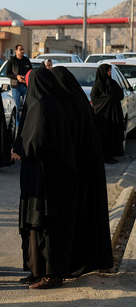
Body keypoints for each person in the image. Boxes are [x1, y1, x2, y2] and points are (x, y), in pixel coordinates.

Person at [16, 68, 78, 289]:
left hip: (48, 178)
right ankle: (36, 270)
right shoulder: (44, 104)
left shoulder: (44, 106)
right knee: (35, 225)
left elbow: (36, 142)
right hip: (38, 176)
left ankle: (51, 273)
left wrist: (21, 150)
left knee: (47, 225)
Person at [51, 66, 113, 277]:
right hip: (89, 170)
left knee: (77, 220)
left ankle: (76, 262)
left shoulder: (67, 107)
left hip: (76, 173)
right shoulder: (80, 104)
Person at [91, 63, 125, 164]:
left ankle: (111, 154)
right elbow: (95, 99)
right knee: (103, 136)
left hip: (114, 114)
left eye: (110, 70)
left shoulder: (112, 83)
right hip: (102, 116)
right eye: (108, 71)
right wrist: (108, 99)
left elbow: (120, 95)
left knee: (112, 134)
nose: (110, 72)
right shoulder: (98, 85)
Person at [6, 45, 32, 126]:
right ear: (16, 51)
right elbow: (8, 74)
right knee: (16, 107)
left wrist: (26, 77)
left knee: (27, 105)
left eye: (23, 50)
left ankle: (26, 123)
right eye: (20, 50)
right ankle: (18, 124)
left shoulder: (26, 60)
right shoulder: (12, 61)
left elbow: (31, 71)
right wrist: (16, 77)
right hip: (15, 87)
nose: (22, 51)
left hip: (25, 86)